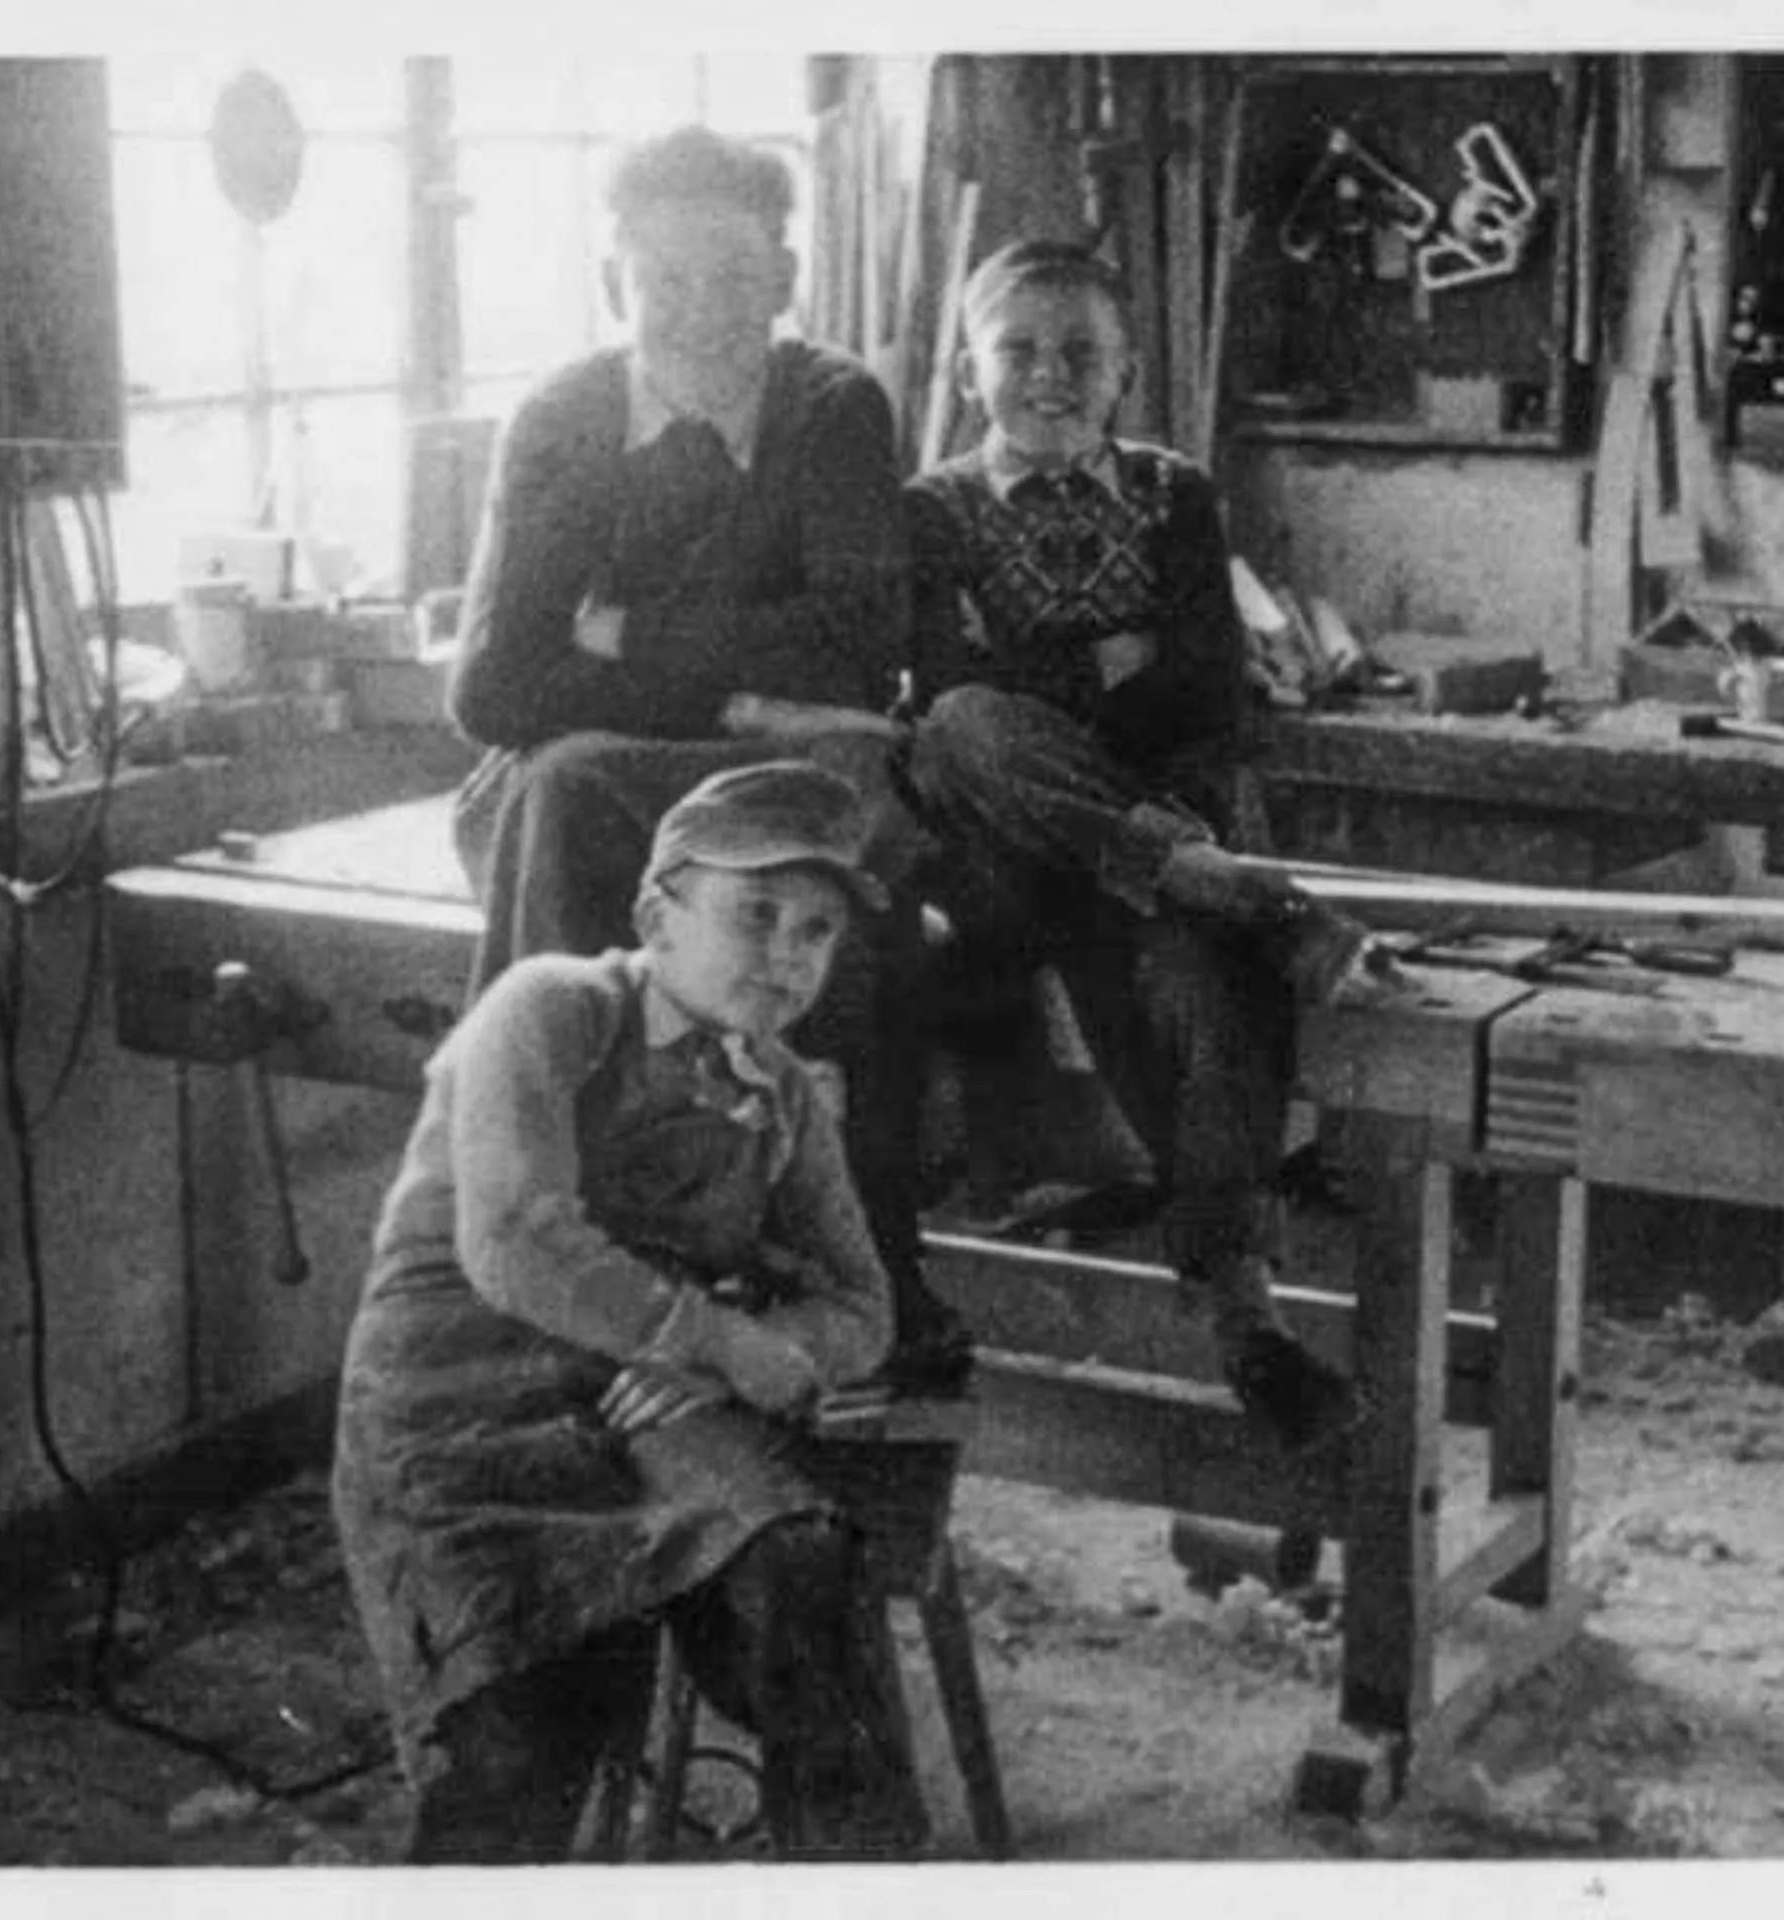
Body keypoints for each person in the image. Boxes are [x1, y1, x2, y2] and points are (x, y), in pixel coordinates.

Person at [441, 123, 961, 1379]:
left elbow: (854, 642)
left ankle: (846, 1255)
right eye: (663, 278)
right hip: (608, 777)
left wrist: (619, 639)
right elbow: (493, 686)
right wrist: (737, 699)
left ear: (782, 281)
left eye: (733, 278)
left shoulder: (833, 404)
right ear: (615, 280)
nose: (698, 310)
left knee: (809, 851)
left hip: (787, 771)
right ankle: (550, 1245)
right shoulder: (564, 418)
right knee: (559, 783)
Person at [334, 761, 925, 1863]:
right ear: (658, 914)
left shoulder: (786, 1091)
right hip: (460, 1389)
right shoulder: (553, 1005)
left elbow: (860, 1307)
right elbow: (515, 1241)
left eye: (816, 931)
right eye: (755, 914)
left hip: (643, 1396)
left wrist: (757, 1355)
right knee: (519, 1725)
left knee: (801, 1576)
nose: (787, 953)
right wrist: (717, 1342)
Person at [900, 239, 1376, 1455]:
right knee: (961, 727)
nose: (1048, 377)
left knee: (1210, 982)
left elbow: (1211, 697)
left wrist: (1067, 705)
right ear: (969, 372)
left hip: (1145, 847)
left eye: (1081, 355)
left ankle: (1248, 1323)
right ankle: (1222, 885)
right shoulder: (932, 511)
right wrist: (1109, 671)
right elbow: (959, 701)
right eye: (1019, 351)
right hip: (1010, 863)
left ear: (1124, 375)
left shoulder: (1176, 494)